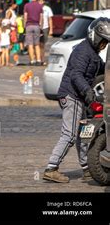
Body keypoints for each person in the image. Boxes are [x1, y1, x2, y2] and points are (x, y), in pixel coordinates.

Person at [43, 18, 110, 183]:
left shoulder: (93, 54)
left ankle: (87, 169)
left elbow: (103, 68)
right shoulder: (83, 51)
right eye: (103, 41)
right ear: (94, 36)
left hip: (78, 97)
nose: (104, 45)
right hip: (71, 96)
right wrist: (87, 91)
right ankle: (51, 168)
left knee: (83, 134)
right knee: (70, 134)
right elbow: (76, 74)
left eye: (106, 43)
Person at [23, 0, 43, 65]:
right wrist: (40, 26)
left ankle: (32, 60)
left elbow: (25, 16)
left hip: (29, 25)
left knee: (30, 44)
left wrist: (24, 26)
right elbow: (41, 17)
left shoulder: (27, 5)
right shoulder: (40, 6)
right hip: (37, 26)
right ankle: (38, 60)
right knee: (37, 44)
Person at [38, 0, 54, 65]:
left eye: (42, 1)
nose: (41, 2)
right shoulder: (36, 8)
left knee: (42, 45)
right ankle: (38, 59)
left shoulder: (47, 9)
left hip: (45, 28)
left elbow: (50, 19)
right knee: (37, 45)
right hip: (37, 28)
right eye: (39, 1)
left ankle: (42, 59)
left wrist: (51, 30)